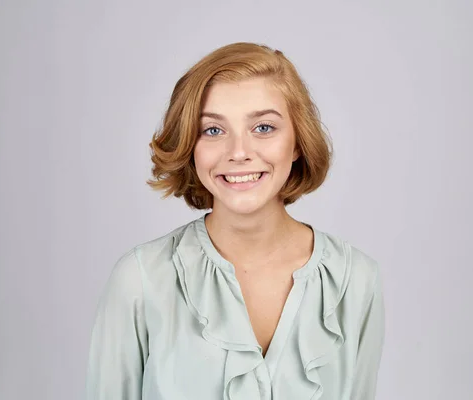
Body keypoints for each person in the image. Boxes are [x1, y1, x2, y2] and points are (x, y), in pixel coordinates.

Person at [85, 42, 385, 400]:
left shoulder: (355, 281)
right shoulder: (140, 280)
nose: (239, 152)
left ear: (297, 143)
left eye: (263, 127)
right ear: (189, 145)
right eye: (213, 130)